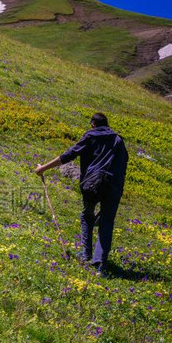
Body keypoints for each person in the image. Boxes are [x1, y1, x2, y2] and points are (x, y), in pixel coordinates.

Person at [34, 112, 128, 275]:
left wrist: (43, 168)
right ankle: (100, 265)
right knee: (107, 222)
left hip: (93, 184)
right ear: (107, 125)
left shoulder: (90, 136)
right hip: (114, 185)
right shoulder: (118, 140)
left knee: (87, 215)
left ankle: (86, 254)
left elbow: (69, 155)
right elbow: (124, 162)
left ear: (93, 124)